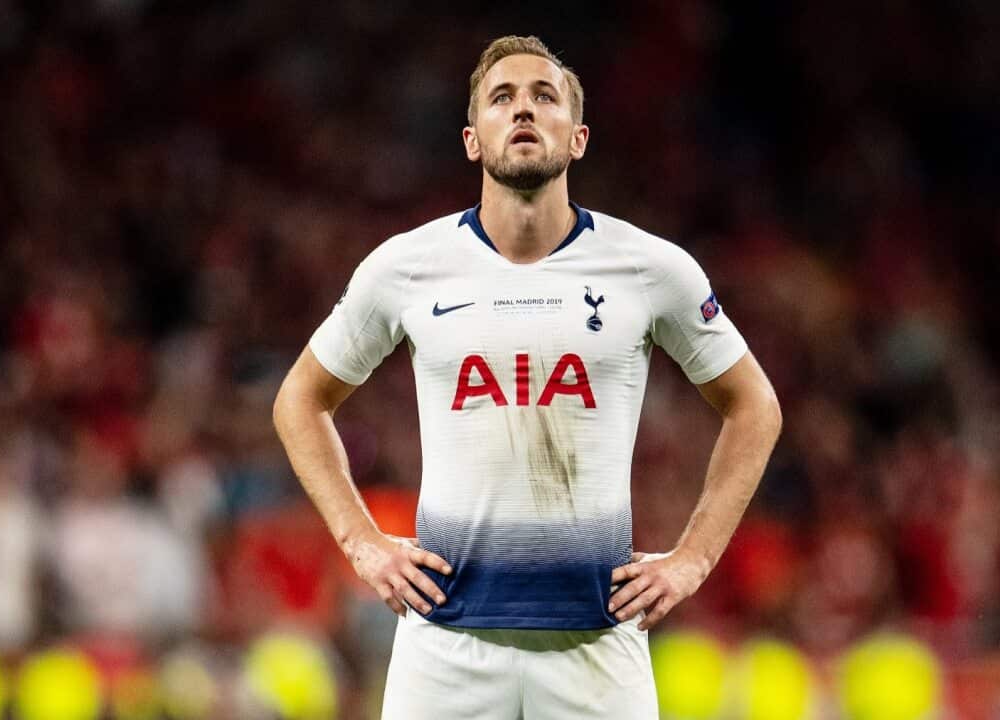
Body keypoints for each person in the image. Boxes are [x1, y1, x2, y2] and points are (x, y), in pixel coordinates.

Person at [273, 35, 782, 719]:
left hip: (597, 644)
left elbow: (754, 406)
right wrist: (362, 544)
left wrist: (693, 559)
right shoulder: (406, 267)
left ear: (577, 138)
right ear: (471, 140)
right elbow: (300, 399)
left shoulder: (649, 268)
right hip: (444, 647)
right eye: (502, 98)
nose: (524, 110)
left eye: (545, 97)